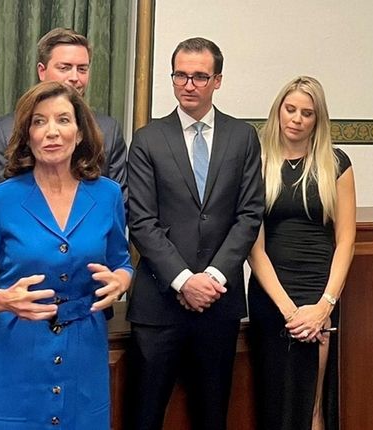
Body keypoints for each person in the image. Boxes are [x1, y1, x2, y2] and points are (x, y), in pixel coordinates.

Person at [0, 81, 132, 430]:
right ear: (27, 135)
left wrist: (121, 280)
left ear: (80, 133)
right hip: (15, 357)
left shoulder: (107, 195)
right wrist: (1, 299)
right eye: (39, 122)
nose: (52, 132)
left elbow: (122, 262)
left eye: (63, 120)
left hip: (85, 358)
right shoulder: (1, 200)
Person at [125, 37, 264, 430]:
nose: (189, 84)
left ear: (217, 80)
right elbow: (141, 221)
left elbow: (249, 215)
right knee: (145, 416)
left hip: (219, 305)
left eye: (199, 76)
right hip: (159, 304)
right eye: (180, 75)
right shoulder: (148, 138)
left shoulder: (242, 137)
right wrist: (185, 281)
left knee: (212, 416)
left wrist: (213, 279)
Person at [247, 76, 356, 430]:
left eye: (306, 113)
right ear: (278, 111)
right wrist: (288, 310)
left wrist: (324, 306)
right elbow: (254, 247)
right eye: (290, 109)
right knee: (275, 400)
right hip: (271, 296)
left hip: (319, 292)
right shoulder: (257, 163)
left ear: (317, 119)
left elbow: (346, 241)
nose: (296, 119)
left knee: (312, 402)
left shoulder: (336, 163)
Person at [0, 27, 127, 197]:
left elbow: (118, 206)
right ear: (42, 71)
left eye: (82, 69)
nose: (74, 77)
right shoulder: (2, 132)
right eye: (64, 68)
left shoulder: (109, 130)